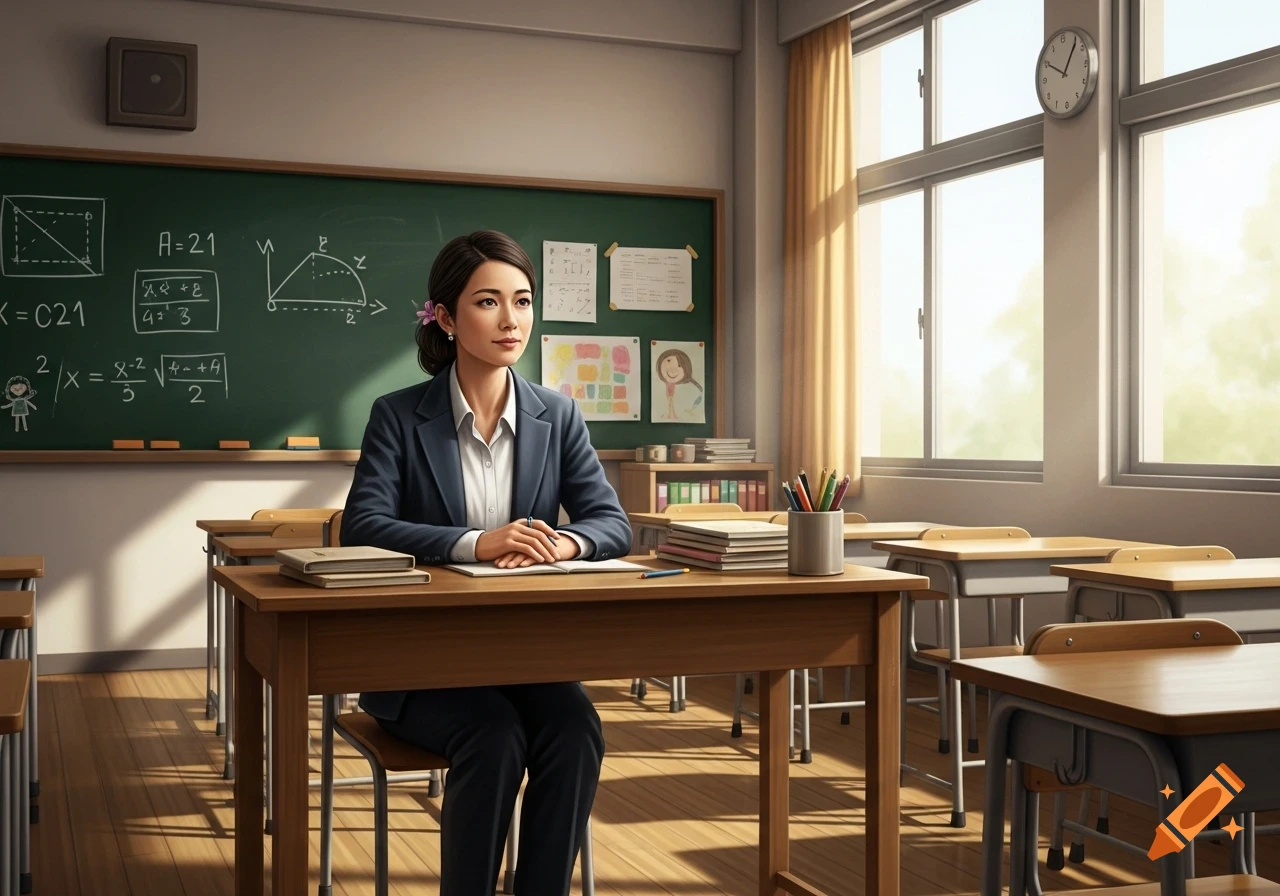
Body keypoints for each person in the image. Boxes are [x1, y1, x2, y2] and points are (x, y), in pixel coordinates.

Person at [342, 229, 632, 896]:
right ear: (444, 317)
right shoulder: (396, 416)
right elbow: (364, 524)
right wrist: (479, 541)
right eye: (488, 302)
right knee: (494, 736)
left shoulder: (557, 415)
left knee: (576, 729)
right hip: (417, 664)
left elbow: (610, 523)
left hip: (519, 653)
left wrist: (564, 542)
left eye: (523, 301)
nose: (511, 320)